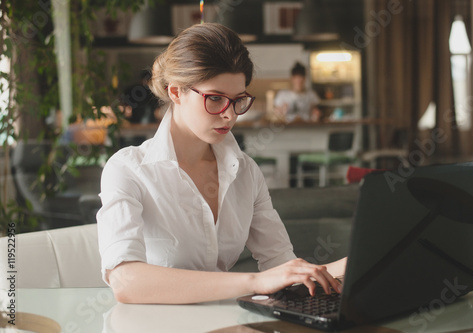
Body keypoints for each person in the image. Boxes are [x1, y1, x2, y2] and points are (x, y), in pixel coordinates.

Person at [97, 23, 346, 305]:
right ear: (176, 92)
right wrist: (255, 281)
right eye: (215, 99)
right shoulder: (128, 169)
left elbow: (282, 267)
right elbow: (126, 282)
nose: (229, 115)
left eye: (238, 100)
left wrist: (353, 265)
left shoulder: (246, 172)